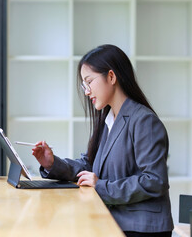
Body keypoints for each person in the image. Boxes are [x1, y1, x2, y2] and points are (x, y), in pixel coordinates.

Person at [31, 44, 174, 237]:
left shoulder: (144, 120)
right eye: (84, 85)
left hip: (141, 228)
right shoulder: (108, 120)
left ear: (112, 77)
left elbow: (154, 181)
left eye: (89, 82)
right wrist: (51, 163)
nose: (87, 91)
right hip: (113, 220)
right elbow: (90, 165)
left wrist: (101, 186)